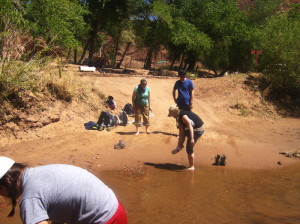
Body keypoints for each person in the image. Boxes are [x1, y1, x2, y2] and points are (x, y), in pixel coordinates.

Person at [0, 157, 127, 224]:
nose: (2, 195)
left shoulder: (30, 199)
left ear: (7, 180)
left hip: (106, 219)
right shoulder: (36, 173)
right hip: (114, 207)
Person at [168, 105, 205, 170]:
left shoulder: (182, 116)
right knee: (184, 133)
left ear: (173, 112)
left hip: (198, 128)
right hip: (195, 128)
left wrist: (192, 139)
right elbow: (182, 133)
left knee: (189, 147)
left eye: (171, 114)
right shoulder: (178, 117)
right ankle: (179, 148)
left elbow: (190, 126)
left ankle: (191, 167)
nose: (171, 116)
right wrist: (178, 146)